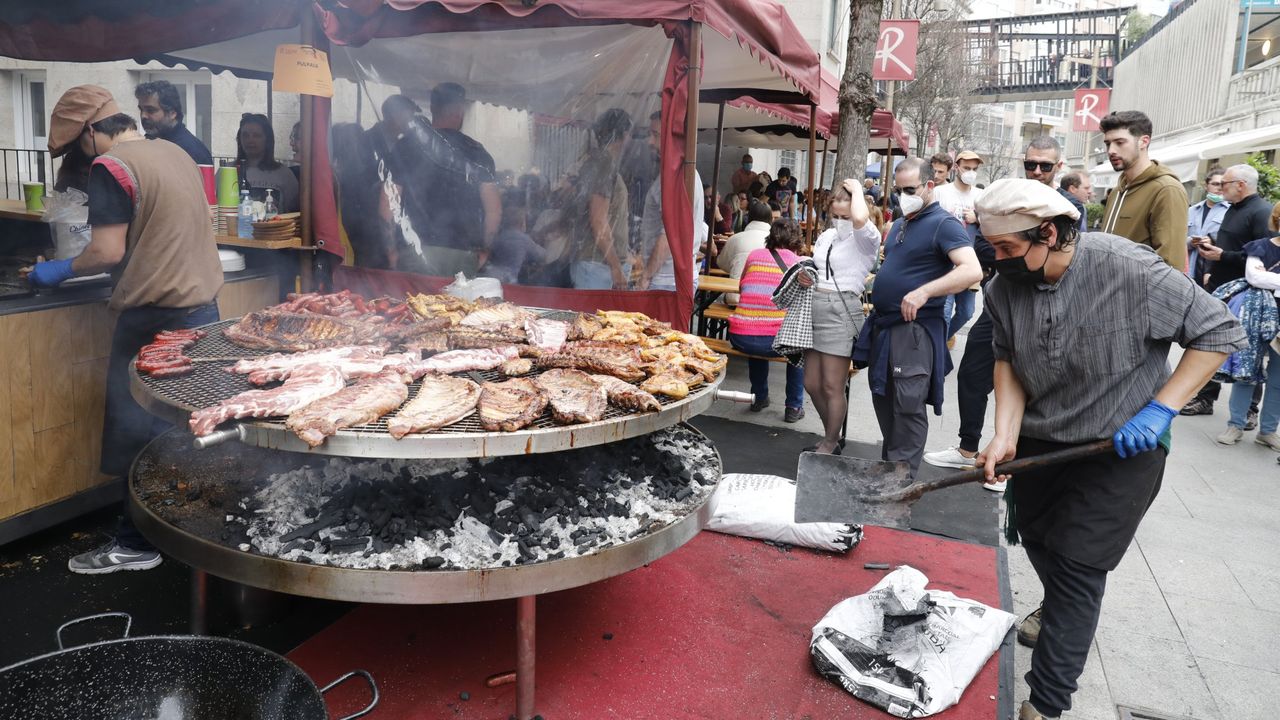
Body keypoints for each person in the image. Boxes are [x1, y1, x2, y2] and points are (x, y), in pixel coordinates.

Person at [972, 178, 1245, 720]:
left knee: (1078, 567)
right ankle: (1062, 614)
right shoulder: (1004, 288)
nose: (996, 260)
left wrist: (1161, 408)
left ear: (1048, 232)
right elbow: (1007, 359)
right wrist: (1004, 433)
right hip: (1042, 442)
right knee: (1043, 544)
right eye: (991, 248)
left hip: (1121, 447)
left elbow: (1217, 331)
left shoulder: (1129, 269)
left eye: (1006, 248)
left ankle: (1045, 705)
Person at [24, 86, 222, 574]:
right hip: (205, 313)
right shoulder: (173, 151)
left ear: (92, 131)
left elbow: (107, 253)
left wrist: (58, 269)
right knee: (185, 432)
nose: (80, 155)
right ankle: (191, 534)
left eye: (77, 145)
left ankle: (135, 545)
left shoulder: (111, 167)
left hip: (155, 320)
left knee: (138, 436)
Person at [924, 138, 1051, 487]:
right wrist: (996, 243)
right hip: (998, 300)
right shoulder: (1006, 198)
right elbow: (982, 245)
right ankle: (969, 448)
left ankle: (1007, 462)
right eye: (1031, 164)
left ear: (1057, 168)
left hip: (1039, 307)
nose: (1037, 171)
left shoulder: (1062, 208)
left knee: (1021, 384)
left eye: (1045, 166)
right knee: (972, 374)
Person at [855, 158, 981, 474]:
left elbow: (971, 269)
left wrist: (925, 291)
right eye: (898, 190)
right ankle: (892, 470)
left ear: (929, 186)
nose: (903, 196)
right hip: (885, 327)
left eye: (909, 189)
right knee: (884, 399)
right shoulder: (900, 224)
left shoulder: (944, 223)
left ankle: (901, 480)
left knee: (907, 406)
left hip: (913, 330)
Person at [1187, 163, 1276, 430]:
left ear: (1241, 185)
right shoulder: (1233, 209)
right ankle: (1206, 397)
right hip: (1221, 286)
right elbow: (1233, 243)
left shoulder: (1261, 212)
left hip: (1246, 296)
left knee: (1248, 351)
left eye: (1224, 184)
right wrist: (1212, 252)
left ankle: (1249, 410)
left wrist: (1222, 256)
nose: (1220, 188)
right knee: (1212, 344)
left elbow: (1263, 256)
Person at [801, 180, 883, 454]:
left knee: (831, 384)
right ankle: (831, 435)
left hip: (841, 309)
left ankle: (831, 441)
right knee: (811, 383)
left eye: (844, 216)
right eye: (834, 216)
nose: (839, 221)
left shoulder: (866, 238)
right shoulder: (827, 237)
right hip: (815, 306)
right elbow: (819, 268)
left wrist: (858, 190)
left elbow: (860, 218)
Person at [728, 219, 807, 422]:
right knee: (797, 345)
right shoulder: (800, 264)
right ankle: (794, 406)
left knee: (757, 327)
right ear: (797, 240)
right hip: (774, 340)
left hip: (740, 336)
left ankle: (759, 397)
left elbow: (741, 288)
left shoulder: (755, 255)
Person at [1215, 201, 1280, 449]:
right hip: (1255, 315)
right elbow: (1254, 277)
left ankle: (1268, 431)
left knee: (1278, 378)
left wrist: (1268, 279)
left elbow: (1263, 278)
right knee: (1246, 372)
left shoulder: (1260, 251)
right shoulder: (1260, 247)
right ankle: (1236, 424)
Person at [1099, 110, 1189, 268]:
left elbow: (1171, 264)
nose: (1111, 150)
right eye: (1108, 143)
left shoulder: (1167, 189)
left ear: (1143, 141)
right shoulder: (1116, 191)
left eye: (1120, 142)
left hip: (1138, 290)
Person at [428, 82, 502, 266]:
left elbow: (388, 199)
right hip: (462, 253)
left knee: (408, 296)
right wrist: (486, 250)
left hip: (413, 251)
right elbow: (493, 210)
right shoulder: (477, 152)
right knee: (456, 296)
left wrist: (392, 251)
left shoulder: (407, 145)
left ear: (431, 108)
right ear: (460, 110)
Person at [565, 108, 632, 289]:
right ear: (624, 135)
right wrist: (616, 267)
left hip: (595, 264)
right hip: (596, 266)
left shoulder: (597, 161)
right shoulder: (603, 163)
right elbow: (598, 220)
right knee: (592, 317)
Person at [932, 150, 984, 343]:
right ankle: (937, 354)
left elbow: (991, 227)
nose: (970, 172)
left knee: (967, 312)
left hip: (969, 265)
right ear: (956, 167)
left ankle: (938, 344)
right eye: (966, 168)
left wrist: (977, 219)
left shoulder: (980, 196)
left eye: (974, 169)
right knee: (944, 312)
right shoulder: (940, 192)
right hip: (944, 264)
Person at [134, 80, 212, 166]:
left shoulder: (191, 151)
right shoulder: (149, 143)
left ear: (172, 113)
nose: (143, 116)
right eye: (141, 110)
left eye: (150, 110)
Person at [481, 188, 548, 285]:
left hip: (492, 275)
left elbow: (489, 252)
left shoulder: (499, 236)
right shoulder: (523, 238)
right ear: (521, 223)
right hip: (509, 279)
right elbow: (541, 255)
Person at [236, 113, 300, 213]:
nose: (250, 140)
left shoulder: (284, 174)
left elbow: (294, 212)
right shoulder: (227, 171)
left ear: (267, 139)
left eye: (256, 135)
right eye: (245, 135)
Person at [718, 200, 773, 304]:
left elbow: (721, 263)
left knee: (719, 300)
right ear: (771, 219)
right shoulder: (776, 242)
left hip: (736, 299)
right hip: (767, 302)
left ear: (749, 217)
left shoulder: (735, 238)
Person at [1185, 167, 1228, 289]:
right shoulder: (1192, 210)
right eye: (1215, 184)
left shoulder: (1230, 212)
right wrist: (1191, 242)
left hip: (1210, 272)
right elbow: (1178, 239)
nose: (1219, 188)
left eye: (1222, 184)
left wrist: (1212, 241)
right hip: (1188, 270)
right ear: (1206, 186)